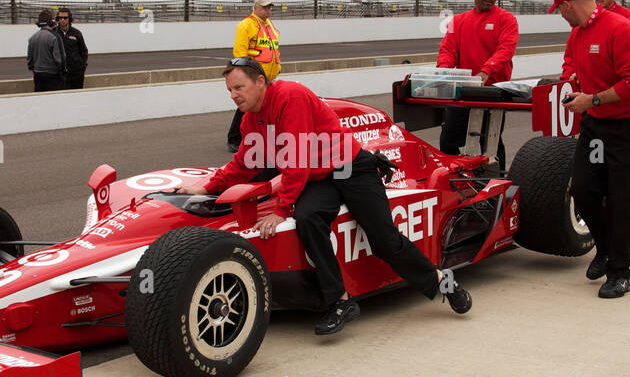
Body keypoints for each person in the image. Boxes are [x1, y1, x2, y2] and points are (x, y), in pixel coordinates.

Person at [180, 57, 472, 335]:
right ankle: (340, 301)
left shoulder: (288, 96)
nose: (233, 95)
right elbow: (244, 163)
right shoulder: (250, 120)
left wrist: (281, 209)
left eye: (238, 87)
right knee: (308, 219)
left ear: (260, 82)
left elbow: (297, 158)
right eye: (229, 90)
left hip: (350, 168)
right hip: (320, 177)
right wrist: (206, 188)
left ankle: (444, 284)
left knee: (384, 240)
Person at [552, 0, 630, 299]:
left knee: (622, 198)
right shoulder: (578, 34)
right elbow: (571, 66)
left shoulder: (619, 29)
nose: (560, 15)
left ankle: (620, 273)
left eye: (560, 10)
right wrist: (571, 80)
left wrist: (592, 99)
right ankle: (606, 248)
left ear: (568, 5)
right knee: (584, 189)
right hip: (597, 126)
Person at [436, 0, 519, 166]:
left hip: (494, 92)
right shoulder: (458, 21)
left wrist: (485, 71)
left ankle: (495, 183)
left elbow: (505, 50)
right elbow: (447, 50)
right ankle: (459, 176)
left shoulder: (506, 19)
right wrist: (443, 71)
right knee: (447, 141)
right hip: (464, 91)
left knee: (490, 142)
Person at [227, 0, 281, 150]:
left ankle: (263, 138)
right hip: (252, 77)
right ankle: (234, 139)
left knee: (264, 107)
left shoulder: (269, 25)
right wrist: (244, 75)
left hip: (266, 76)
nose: (268, 10)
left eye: (269, 8)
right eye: (264, 7)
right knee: (246, 107)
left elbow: (273, 49)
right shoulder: (246, 25)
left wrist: (278, 67)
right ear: (255, 7)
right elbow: (239, 52)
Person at [26, 9, 65, 91]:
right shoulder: (55, 37)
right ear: (51, 21)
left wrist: (34, 69)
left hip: (37, 75)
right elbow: (60, 58)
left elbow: (30, 59)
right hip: (52, 75)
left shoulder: (32, 38)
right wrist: (62, 72)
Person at [55, 7, 88, 89]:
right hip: (60, 74)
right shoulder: (54, 33)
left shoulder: (77, 33)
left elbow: (84, 51)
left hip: (76, 73)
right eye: (60, 18)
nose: (62, 20)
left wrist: (82, 66)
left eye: (65, 18)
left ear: (70, 19)